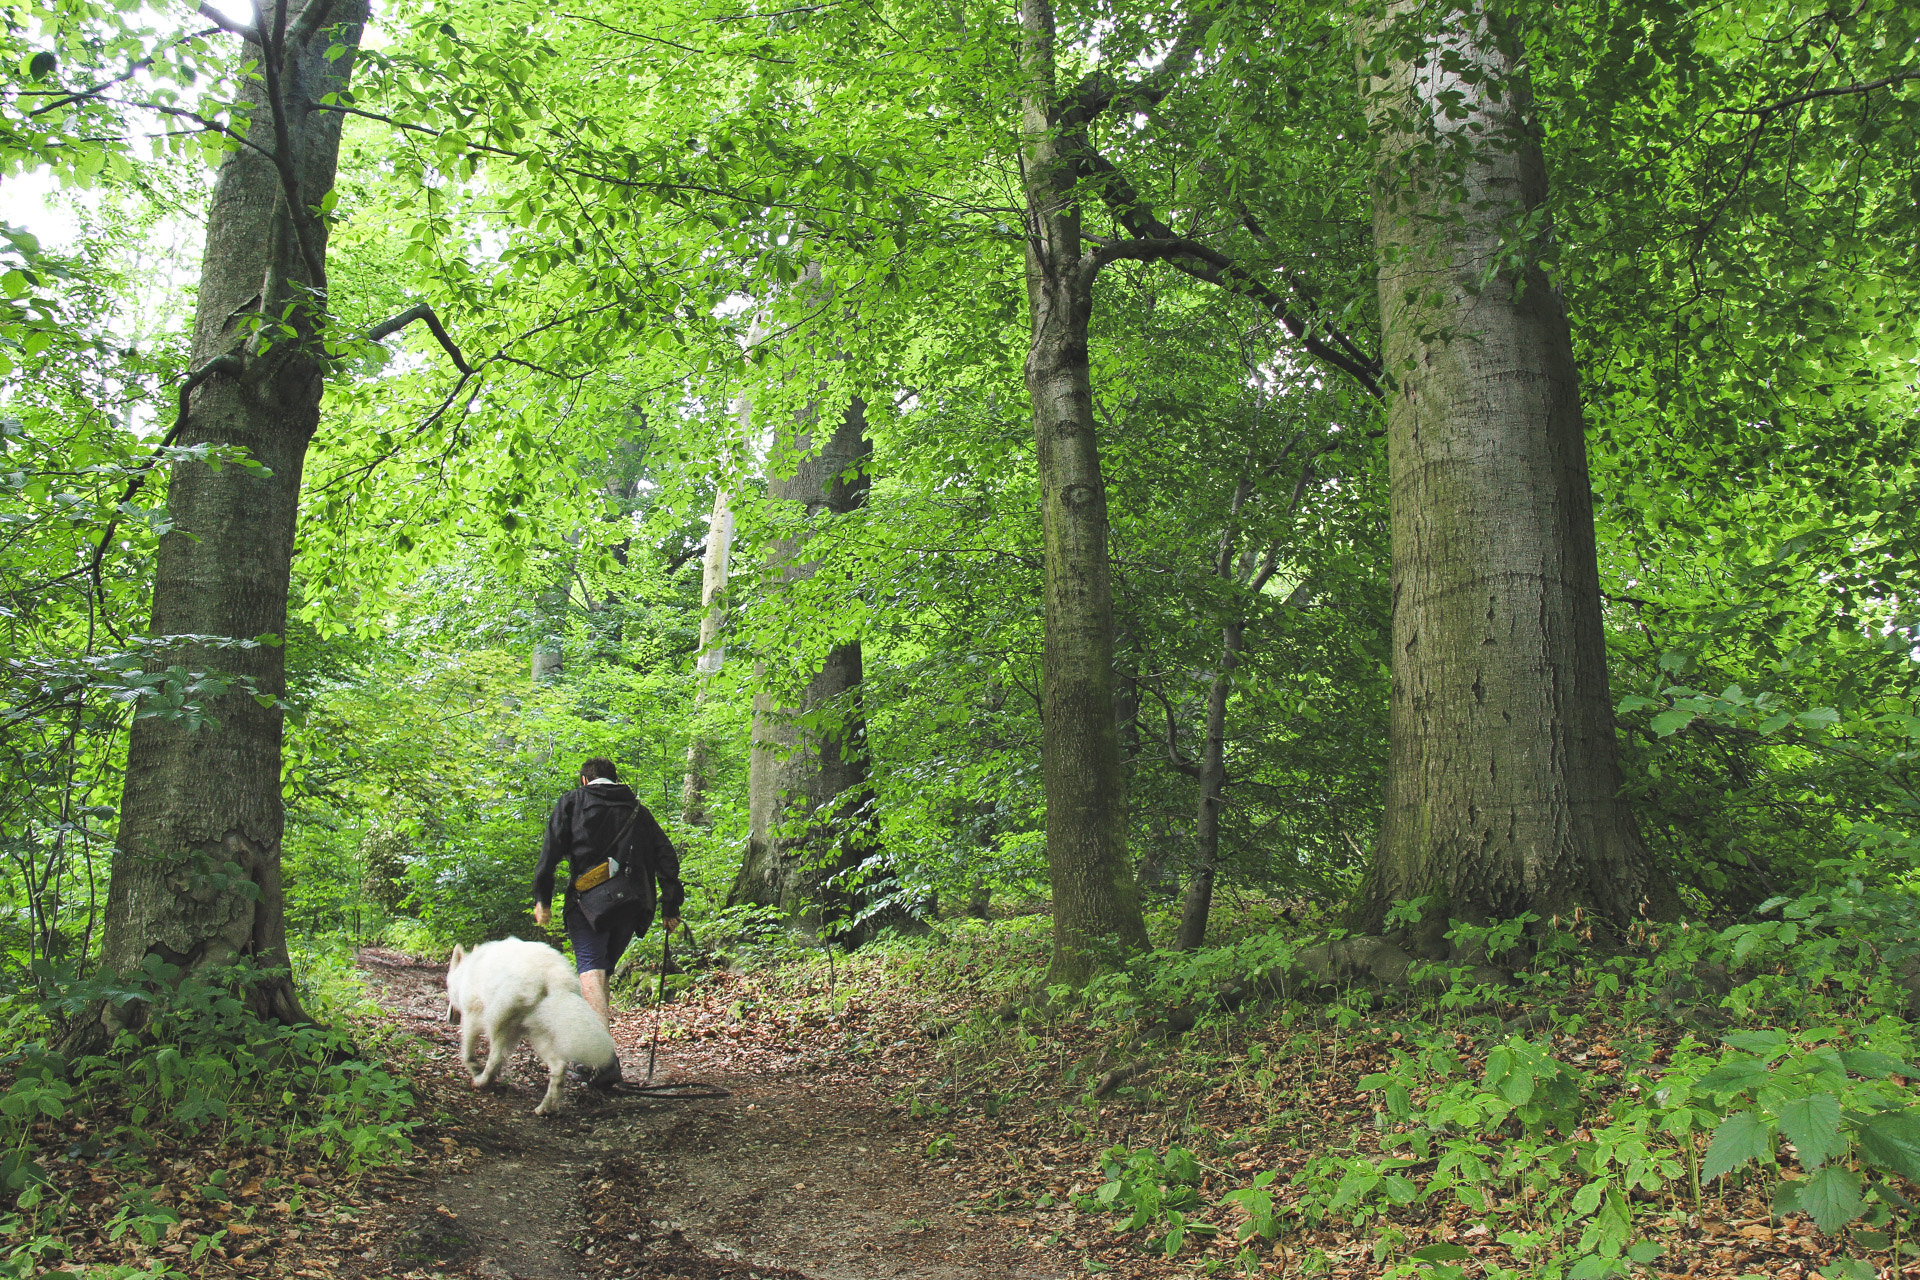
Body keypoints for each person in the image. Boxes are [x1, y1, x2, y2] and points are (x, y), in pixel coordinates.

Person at [532, 757, 683, 1045]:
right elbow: (666, 856)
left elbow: (549, 854)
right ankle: (597, 1050)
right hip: (631, 904)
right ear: (615, 779)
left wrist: (543, 899)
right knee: (600, 972)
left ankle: (602, 1058)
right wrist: (670, 906)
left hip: (586, 904)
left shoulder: (572, 803)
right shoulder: (639, 811)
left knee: (590, 970)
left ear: (584, 780)